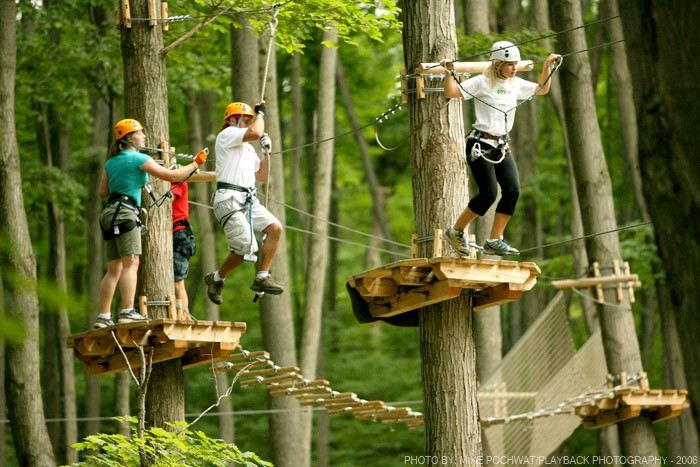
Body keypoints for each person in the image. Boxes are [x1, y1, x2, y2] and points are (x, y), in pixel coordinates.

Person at [441, 41, 561, 256]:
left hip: (501, 145)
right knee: (488, 194)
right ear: (497, 64)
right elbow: (451, 92)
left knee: (513, 191)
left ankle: (494, 239)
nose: (514, 68)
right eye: (509, 64)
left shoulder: (515, 83)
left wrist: (547, 68)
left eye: (515, 64)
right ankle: (456, 231)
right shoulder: (482, 82)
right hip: (480, 144)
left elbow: (541, 90)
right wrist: (450, 72)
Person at [94, 118, 207, 329]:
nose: (144, 137)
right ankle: (128, 311)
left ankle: (103, 316)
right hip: (126, 214)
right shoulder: (138, 158)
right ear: (130, 139)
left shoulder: (112, 161)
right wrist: (196, 164)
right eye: (140, 134)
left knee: (113, 269)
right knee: (131, 263)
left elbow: (103, 192)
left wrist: (126, 181)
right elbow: (171, 175)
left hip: (109, 213)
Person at [204, 101, 284, 305]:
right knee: (246, 248)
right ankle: (217, 277)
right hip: (229, 199)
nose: (250, 124)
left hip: (249, 199)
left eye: (251, 120)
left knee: (275, 228)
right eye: (246, 120)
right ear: (232, 119)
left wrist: (267, 152)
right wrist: (261, 115)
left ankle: (262, 277)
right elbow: (256, 133)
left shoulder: (247, 149)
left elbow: (262, 175)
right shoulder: (227, 135)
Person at [172, 180, 196, 319]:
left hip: (180, 235)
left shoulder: (177, 180)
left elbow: (166, 201)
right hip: (176, 234)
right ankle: (182, 314)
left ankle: (184, 315)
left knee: (177, 282)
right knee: (175, 282)